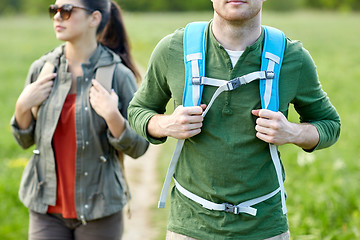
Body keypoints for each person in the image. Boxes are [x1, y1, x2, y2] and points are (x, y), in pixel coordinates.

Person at [127, 0, 341, 239]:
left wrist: (293, 132)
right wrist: (165, 124)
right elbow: (138, 110)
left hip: (264, 227)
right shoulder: (173, 49)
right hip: (189, 226)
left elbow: (330, 124)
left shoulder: (293, 57)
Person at [11, 0, 149, 239]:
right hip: (45, 209)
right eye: (54, 10)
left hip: (100, 210)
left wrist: (113, 116)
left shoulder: (118, 75)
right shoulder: (41, 70)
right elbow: (24, 141)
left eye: (66, 11)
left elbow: (139, 146)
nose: (56, 17)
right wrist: (22, 106)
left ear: (94, 19)